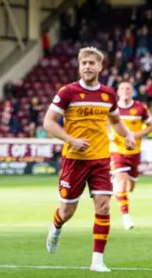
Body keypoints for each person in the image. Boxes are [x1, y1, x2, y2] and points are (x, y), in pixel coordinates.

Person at [43, 47, 135, 272]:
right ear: (79, 65)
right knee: (67, 212)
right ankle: (55, 228)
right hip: (74, 159)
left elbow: (116, 122)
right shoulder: (68, 92)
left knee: (103, 207)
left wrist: (129, 134)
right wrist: (70, 139)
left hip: (101, 159)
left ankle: (97, 261)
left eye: (91, 63)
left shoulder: (108, 95)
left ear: (100, 67)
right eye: (83, 62)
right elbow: (49, 123)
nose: (87, 66)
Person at [110, 81, 152, 230]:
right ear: (118, 91)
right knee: (121, 181)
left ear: (132, 91)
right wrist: (108, 134)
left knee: (131, 186)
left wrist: (136, 135)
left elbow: (150, 126)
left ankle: (118, 189)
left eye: (128, 88)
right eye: (122, 88)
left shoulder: (141, 108)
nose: (125, 91)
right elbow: (103, 125)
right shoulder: (112, 108)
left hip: (134, 152)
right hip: (117, 151)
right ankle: (126, 217)